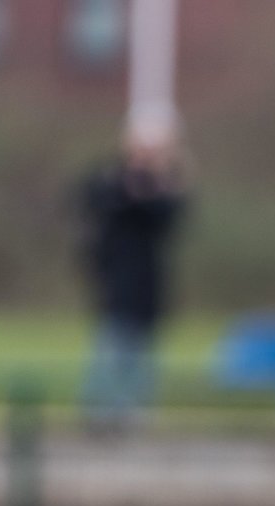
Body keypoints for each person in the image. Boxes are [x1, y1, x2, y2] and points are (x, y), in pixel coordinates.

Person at [78, 120, 187, 433]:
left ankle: (130, 411)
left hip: (147, 280)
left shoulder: (162, 188)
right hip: (118, 278)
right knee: (114, 342)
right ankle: (101, 411)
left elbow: (168, 215)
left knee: (140, 347)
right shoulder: (111, 181)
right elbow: (99, 203)